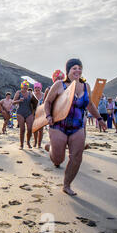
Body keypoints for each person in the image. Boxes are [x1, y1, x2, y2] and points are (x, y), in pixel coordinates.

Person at [44, 58, 107, 196]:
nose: (77, 70)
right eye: (74, 68)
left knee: (77, 156)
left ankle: (66, 185)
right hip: (58, 125)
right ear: (68, 71)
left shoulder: (86, 87)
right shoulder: (59, 85)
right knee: (58, 159)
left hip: (77, 127)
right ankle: (51, 148)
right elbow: (48, 102)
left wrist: (100, 119)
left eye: (79, 68)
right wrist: (48, 116)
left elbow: (90, 105)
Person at [13, 80, 37, 149]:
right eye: (24, 86)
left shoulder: (30, 93)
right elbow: (13, 102)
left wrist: (34, 110)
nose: (25, 87)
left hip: (29, 112)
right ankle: (21, 144)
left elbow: (35, 103)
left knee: (30, 129)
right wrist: (19, 101)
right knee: (22, 129)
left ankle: (28, 142)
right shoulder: (18, 92)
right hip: (20, 112)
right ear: (22, 86)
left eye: (26, 86)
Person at [33, 82, 45, 148]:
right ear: (34, 89)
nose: (37, 89)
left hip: (42, 114)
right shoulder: (32, 95)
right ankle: (35, 142)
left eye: (38, 88)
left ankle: (39, 144)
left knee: (41, 130)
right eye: (35, 88)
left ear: (40, 88)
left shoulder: (44, 95)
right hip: (34, 114)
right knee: (35, 129)